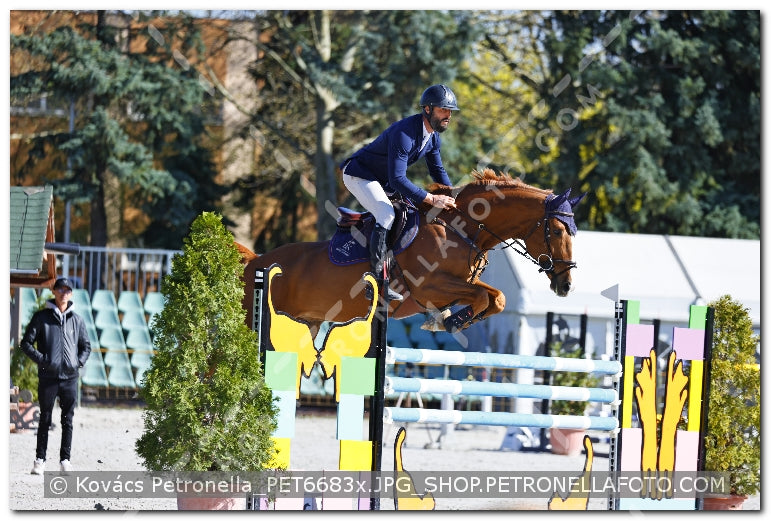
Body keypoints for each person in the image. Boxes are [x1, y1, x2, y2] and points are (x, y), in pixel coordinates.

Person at [340, 84, 459, 301]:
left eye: (450, 111)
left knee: (411, 212)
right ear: (427, 109)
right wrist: (432, 198)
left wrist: (455, 198)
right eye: (443, 110)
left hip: (381, 180)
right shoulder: (405, 133)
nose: (448, 115)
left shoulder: (432, 138)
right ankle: (376, 282)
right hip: (359, 174)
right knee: (386, 214)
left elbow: (437, 171)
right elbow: (397, 179)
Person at [20, 277, 91, 474]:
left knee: (68, 420)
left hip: (70, 378)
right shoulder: (41, 317)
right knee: (45, 418)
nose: (63, 293)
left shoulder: (77, 320)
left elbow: (86, 347)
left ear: (71, 293)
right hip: (48, 378)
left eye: (67, 290)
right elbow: (26, 343)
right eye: (60, 289)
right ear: (54, 291)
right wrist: (43, 360)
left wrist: (77, 363)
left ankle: (65, 461)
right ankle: (40, 460)